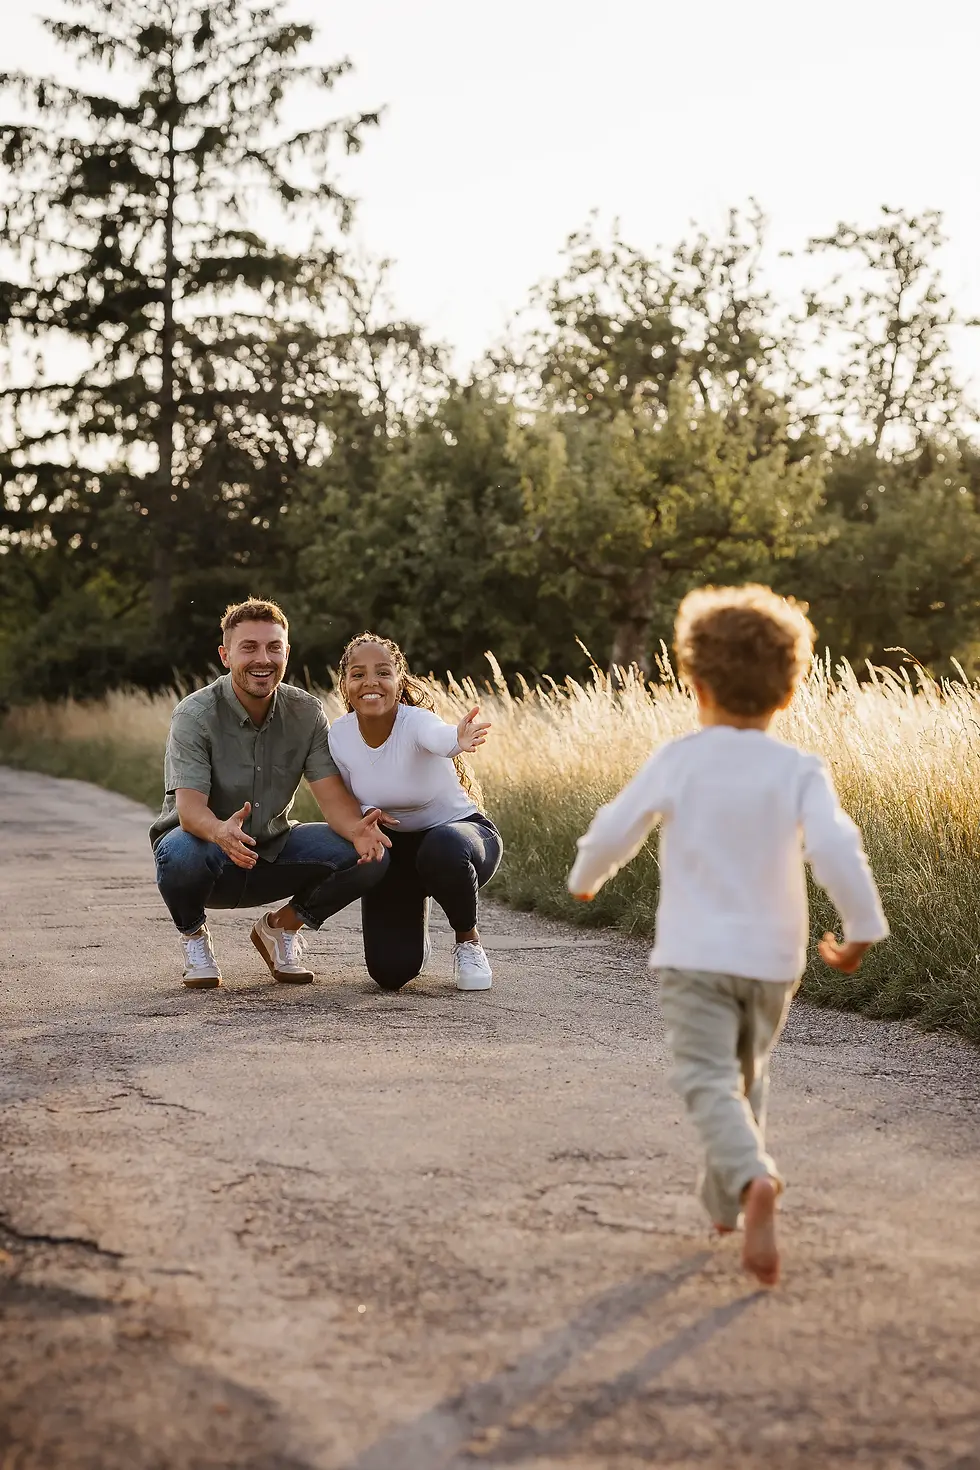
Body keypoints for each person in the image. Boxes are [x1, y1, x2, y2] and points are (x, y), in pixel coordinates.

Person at [567, 585, 889, 1287]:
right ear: (791, 691)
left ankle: (751, 1179)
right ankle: (725, 1204)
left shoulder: (679, 758)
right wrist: (862, 928)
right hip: (775, 961)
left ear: (694, 681)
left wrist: (588, 875)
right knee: (745, 1078)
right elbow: (838, 850)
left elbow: (618, 825)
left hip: (694, 958)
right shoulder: (800, 769)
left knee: (706, 1075)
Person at [150, 599, 392, 989]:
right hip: (207, 857)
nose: (263, 659)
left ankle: (280, 929)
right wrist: (219, 832)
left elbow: (332, 800)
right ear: (225, 655)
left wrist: (359, 831)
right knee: (182, 849)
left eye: (273, 647)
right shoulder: (194, 715)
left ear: (286, 652)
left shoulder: (306, 712)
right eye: (249, 647)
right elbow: (190, 811)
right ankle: (195, 937)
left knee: (372, 854)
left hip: (272, 851)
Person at [327, 632, 502, 993]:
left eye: (382, 672)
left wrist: (458, 738)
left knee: (441, 846)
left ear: (399, 680)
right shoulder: (339, 736)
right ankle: (414, 939)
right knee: (389, 974)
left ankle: (468, 942)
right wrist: (367, 811)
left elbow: (439, 736)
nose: (370, 682)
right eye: (358, 674)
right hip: (396, 854)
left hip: (461, 839)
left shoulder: (416, 721)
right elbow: (346, 796)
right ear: (345, 685)